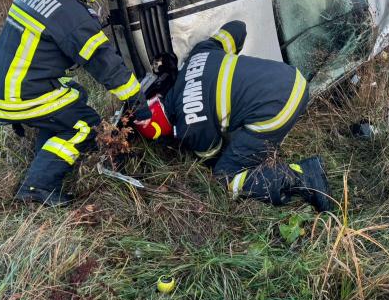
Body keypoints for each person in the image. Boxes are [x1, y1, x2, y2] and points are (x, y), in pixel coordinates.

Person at [0, 0, 149, 206]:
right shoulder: (69, 14)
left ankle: (47, 149)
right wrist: (135, 100)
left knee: (74, 96)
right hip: (20, 95)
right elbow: (103, 62)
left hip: (3, 86)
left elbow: (59, 19)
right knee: (84, 125)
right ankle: (37, 188)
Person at [134, 21, 333, 212]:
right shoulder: (198, 54)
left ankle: (302, 177)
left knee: (225, 178)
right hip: (292, 77)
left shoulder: (189, 126)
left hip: (277, 109)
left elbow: (214, 157)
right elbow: (238, 28)